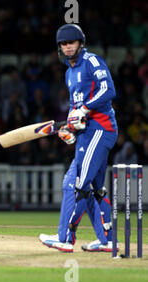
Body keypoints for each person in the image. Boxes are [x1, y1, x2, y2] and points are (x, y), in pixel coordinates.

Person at [39, 24, 118, 252]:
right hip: (86, 133)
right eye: (64, 44)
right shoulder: (68, 72)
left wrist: (84, 109)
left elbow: (108, 90)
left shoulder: (92, 61)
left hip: (100, 129)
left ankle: (65, 238)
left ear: (81, 43)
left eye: (72, 42)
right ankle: (107, 241)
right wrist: (69, 130)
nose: (68, 47)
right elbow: (75, 108)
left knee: (77, 185)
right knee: (93, 188)